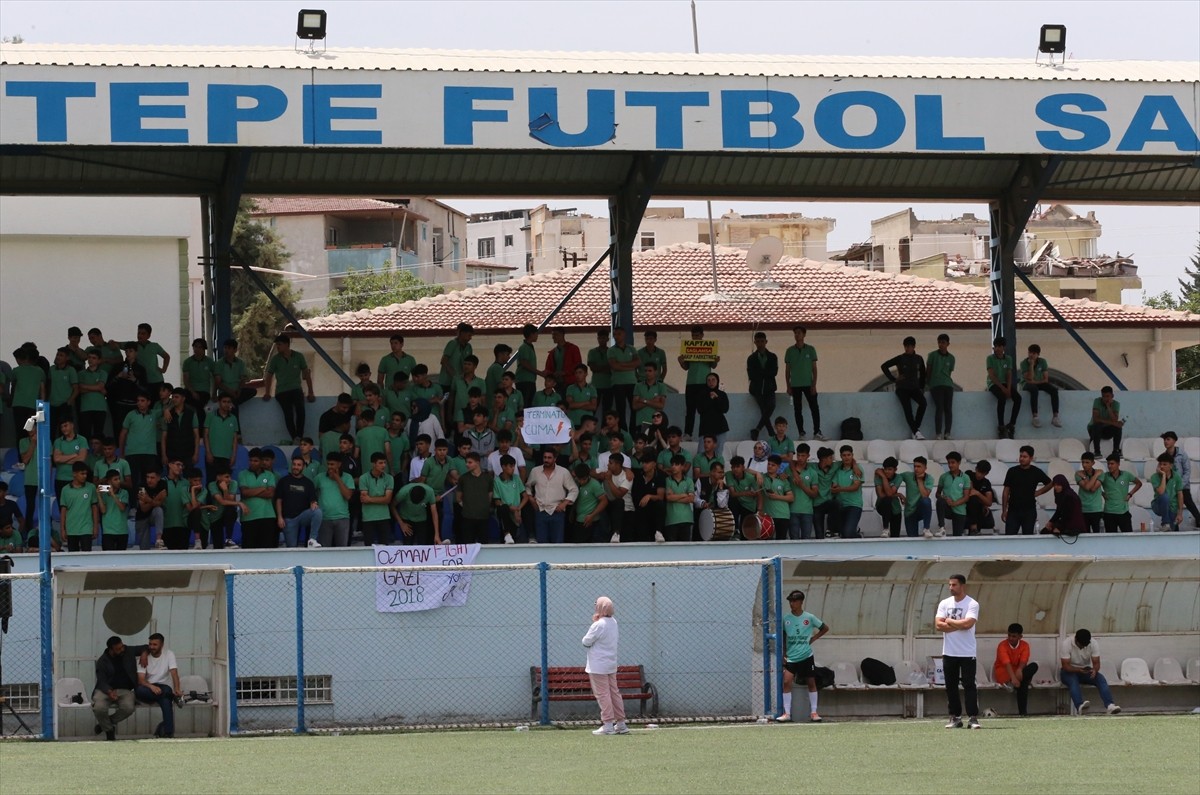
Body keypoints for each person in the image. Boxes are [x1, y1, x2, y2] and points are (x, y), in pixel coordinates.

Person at [935, 574, 981, 729]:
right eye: (950, 585)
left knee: (969, 685)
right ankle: (955, 717)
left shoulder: (972, 604)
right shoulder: (944, 603)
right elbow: (938, 625)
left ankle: (973, 718)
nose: (951, 588)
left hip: (967, 653)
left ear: (962, 586)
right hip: (949, 652)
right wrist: (957, 624)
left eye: (954, 585)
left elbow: (968, 624)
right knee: (951, 686)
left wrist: (949, 621)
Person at [776, 590, 829, 723]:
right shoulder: (786, 618)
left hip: (806, 655)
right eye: (790, 601)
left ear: (801, 602)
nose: (792, 603)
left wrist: (813, 638)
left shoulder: (809, 617)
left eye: (794, 601)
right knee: (786, 682)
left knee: (811, 682)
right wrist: (784, 653)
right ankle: (787, 713)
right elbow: (783, 636)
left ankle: (814, 712)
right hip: (791, 657)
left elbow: (824, 627)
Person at [582, 596, 628, 735]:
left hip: (597, 665)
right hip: (610, 664)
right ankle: (621, 723)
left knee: (603, 694)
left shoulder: (598, 625)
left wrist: (595, 622)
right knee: (614, 692)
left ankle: (607, 723)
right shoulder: (613, 622)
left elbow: (586, 641)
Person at [261, 334, 316, 443]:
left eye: (280, 345)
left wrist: (311, 392)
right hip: (281, 391)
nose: (278, 347)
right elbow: (269, 376)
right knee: (288, 413)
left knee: (301, 411)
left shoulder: (299, 356)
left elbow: (306, 374)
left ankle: (300, 436)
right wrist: (267, 392)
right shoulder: (275, 359)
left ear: (287, 344)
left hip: (296, 389)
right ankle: (294, 437)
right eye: (277, 345)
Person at [1060, 628, 1121, 715]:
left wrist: (1094, 670)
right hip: (1068, 672)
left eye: (1085, 645)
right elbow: (1065, 666)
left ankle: (1110, 705)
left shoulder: (1093, 643)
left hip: (1085, 671)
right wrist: (1078, 670)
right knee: (1073, 681)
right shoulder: (1066, 644)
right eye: (1081, 645)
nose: (1083, 647)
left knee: (1100, 678)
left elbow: (1096, 663)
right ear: (1076, 640)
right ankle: (1080, 706)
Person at [136, 632, 183, 738]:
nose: (151, 647)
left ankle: (168, 733)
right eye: (150, 644)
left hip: (162, 688)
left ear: (162, 645)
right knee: (140, 690)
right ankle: (166, 729)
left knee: (166, 697)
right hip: (147, 689)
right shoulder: (144, 657)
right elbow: (141, 680)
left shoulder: (169, 654)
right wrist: (152, 687)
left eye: (155, 644)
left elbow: (174, 673)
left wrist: (177, 688)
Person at [526, 448, 578, 544]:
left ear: (555, 459)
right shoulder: (535, 471)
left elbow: (574, 490)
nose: (546, 460)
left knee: (557, 544)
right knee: (542, 544)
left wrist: (564, 503)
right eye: (545, 457)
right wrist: (531, 499)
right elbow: (527, 486)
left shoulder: (563, 472)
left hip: (557, 512)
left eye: (549, 458)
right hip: (541, 511)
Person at [880, 336, 927, 440]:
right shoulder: (900, 358)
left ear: (914, 346)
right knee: (908, 409)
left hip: (914, 388)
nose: (908, 348)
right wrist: (893, 379)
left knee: (923, 403)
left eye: (910, 346)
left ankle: (915, 428)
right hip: (902, 388)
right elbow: (884, 366)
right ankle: (916, 431)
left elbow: (923, 373)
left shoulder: (919, 358)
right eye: (906, 346)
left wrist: (922, 387)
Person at [93, 635, 140, 740]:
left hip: (125, 689)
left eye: (122, 646)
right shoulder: (102, 661)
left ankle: (105, 725)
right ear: (111, 650)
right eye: (118, 649)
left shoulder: (128, 651)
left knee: (129, 708)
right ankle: (109, 731)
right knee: (98, 708)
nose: (122, 650)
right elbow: (101, 680)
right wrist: (109, 691)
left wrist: (145, 654)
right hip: (105, 690)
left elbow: (145, 647)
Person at [783, 326, 824, 441]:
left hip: (808, 384)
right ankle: (801, 432)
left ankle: (817, 431)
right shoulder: (790, 351)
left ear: (804, 334)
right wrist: (788, 385)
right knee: (797, 409)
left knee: (814, 408)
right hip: (795, 384)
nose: (797, 335)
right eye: (795, 333)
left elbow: (814, 368)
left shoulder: (810, 349)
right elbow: (787, 370)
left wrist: (814, 384)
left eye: (799, 333)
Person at [1001, 445, 1053, 535]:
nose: (1022, 459)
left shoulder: (1036, 471)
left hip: (1029, 511)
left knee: (1028, 537)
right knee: (1009, 537)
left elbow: (1050, 483)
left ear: (1031, 458)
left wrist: (1039, 492)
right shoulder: (1012, 471)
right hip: (1013, 510)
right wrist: (1004, 510)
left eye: (1025, 457)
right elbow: (1006, 491)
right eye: (1020, 456)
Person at [680, 326, 719, 440]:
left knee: (705, 409)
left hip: (704, 383)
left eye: (697, 335)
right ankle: (688, 433)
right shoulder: (688, 348)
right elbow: (686, 367)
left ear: (702, 335)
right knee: (690, 410)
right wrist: (681, 362)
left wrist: (715, 361)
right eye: (693, 336)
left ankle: (706, 432)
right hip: (691, 383)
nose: (695, 338)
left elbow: (713, 365)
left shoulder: (709, 348)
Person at [275, 455, 322, 547]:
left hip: (303, 516)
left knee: (317, 512)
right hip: (288, 519)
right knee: (291, 549)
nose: (296, 467)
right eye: (294, 464)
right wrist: (280, 517)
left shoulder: (308, 483)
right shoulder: (283, 481)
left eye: (299, 465)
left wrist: (314, 504)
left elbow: (313, 500)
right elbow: (278, 500)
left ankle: (312, 540)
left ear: (303, 467)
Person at [993, 623, 1038, 717]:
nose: (1010, 638)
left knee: (1034, 666)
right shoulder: (1002, 645)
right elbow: (1006, 663)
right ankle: (1023, 713)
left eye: (1014, 636)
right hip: (1004, 673)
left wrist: (1019, 670)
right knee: (1024, 683)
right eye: (1009, 635)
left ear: (1020, 637)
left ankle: (1022, 712)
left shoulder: (1025, 645)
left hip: (1018, 674)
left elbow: (1024, 660)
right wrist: (1013, 678)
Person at [1161, 431, 1199, 528]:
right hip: (1170, 486)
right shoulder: (1164, 456)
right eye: (1165, 440)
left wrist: (1180, 485)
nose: (1166, 442)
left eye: (1168, 439)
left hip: (1183, 485)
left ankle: (1199, 520)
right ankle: (1174, 527)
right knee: (1172, 507)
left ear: (1174, 441)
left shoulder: (1182, 454)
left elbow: (1187, 471)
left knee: (1189, 503)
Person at [746, 331, 778, 441]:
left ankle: (758, 429)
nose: (760, 344)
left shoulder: (772, 356)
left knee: (770, 406)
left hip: (770, 387)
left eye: (762, 341)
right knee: (764, 409)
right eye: (758, 341)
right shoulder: (751, 358)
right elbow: (751, 374)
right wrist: (764, 373)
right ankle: (770, 432)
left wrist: (761, 373)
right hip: (756, 389)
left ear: (766, 342)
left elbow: (774, 372)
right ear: (755, 342)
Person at [986, 337, 1021, 439]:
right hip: (994, 384)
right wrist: (1003, 388)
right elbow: (992, 376)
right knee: (1001, 398)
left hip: (1005, 383)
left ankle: (1011, 424)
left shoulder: (1008, 359)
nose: (997, 349)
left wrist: (1009, 388)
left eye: (999, 346)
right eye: (995, 347)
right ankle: (1001, 426)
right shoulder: (990, 358)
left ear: (1003, 347)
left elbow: (1009, 374)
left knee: (1018, 398)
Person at [1020, 344, 1061, 429]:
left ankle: (1055, 416)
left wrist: (1035, 382)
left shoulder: (1042, 362)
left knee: (1054, 390)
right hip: (1027, 384)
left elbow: (1046, 379)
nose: (1031, 355)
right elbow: (1029, 377)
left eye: (1034, 353)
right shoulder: (1024, 363)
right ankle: (1035, 416)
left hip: (1038, 382)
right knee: (1034, 390)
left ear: (1038, 354)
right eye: (1030, 353)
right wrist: (1031, 365)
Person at [1099, 453, 1141, 533]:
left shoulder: (1126, 475)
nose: (1109, 466)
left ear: (1118, 464)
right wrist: (1102, 493)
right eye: (1108, 464)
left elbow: (1139, 483)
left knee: (1128, 538)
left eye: (1112, 463)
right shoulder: (1104, 476)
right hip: (1109, 512)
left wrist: (1130, 494)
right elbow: (1094, 487)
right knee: (1111, 540)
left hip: (1123, 512)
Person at [933, 452, 971, 538]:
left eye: (953, 462)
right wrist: (943, 497)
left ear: (959, 463)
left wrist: (954, 503)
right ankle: (942, 527)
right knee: (940, 501)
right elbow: (937, 494)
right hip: (947, 508)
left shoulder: (965, 477)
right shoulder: (943, 477)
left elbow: (966, 497)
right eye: (949, 462)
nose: (950, 465)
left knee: (957, 537)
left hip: (960, 509)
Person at [926, 333, 956, 440]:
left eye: (943, 342)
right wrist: (928, 383)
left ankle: (947, 432)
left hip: (948, 384)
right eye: (939, 342)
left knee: (948, 408)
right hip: (935, 385)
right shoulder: (932, 355)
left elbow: (949, 372)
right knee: (939, 407)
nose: (941, 345)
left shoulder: (951, 358)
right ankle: (938, 433)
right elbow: (928, 371)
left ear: (948, 344)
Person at [1149, 452, 1185, 532]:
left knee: (1171, 530)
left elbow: (1180, 495)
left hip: (1172, 506)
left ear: (1171, 466)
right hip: (1158, 505)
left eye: (1165, 464)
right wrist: (1164, 476)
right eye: (1160, 464)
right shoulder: (1154, 477)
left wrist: (1180, 513)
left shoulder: (1177, 477)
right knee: (1165, 497)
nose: (1162, 466)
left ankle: (1168, 526)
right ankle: (1165, 523)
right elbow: (1161, 492)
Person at [696, 373, 730, 453]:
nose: (711, 382)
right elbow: (700, 410)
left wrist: (717, 398)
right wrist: (710, 399)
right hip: (705, 428)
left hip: (720, 428)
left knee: (718, 453)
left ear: (717, 381)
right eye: (708, 380)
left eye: (713, 380)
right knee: (701, 453)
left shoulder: (722, 394)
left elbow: (725, 409)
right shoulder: (702, 394)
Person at [1087, 386, 1123, 458]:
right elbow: (1096, 419)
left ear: (1112, 396)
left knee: (1118, 428)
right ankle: (1097, 452)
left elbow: (1115, 419)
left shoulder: (1116, 404)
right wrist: (1113, 423)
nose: (1105, 398)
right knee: (1097, 425)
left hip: (1106, 430)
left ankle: (1115, 451)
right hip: (1094, 429)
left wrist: (1108, 407)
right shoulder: (1097, 401)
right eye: (1103, 396)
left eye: (1107, 396)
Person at [1075, 453, 1104, 534]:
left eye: (1087, 462)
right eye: (1083, 462)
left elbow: (1093, 489)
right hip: (1083, 509)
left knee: (1097, 535)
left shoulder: (1100, 473)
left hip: (1096, 509)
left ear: (1093, 463)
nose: (1084, 465)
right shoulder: (1078, 474)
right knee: (1084, 535)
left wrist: (1090, 476)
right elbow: (1088, 488)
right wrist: (1095, 476)